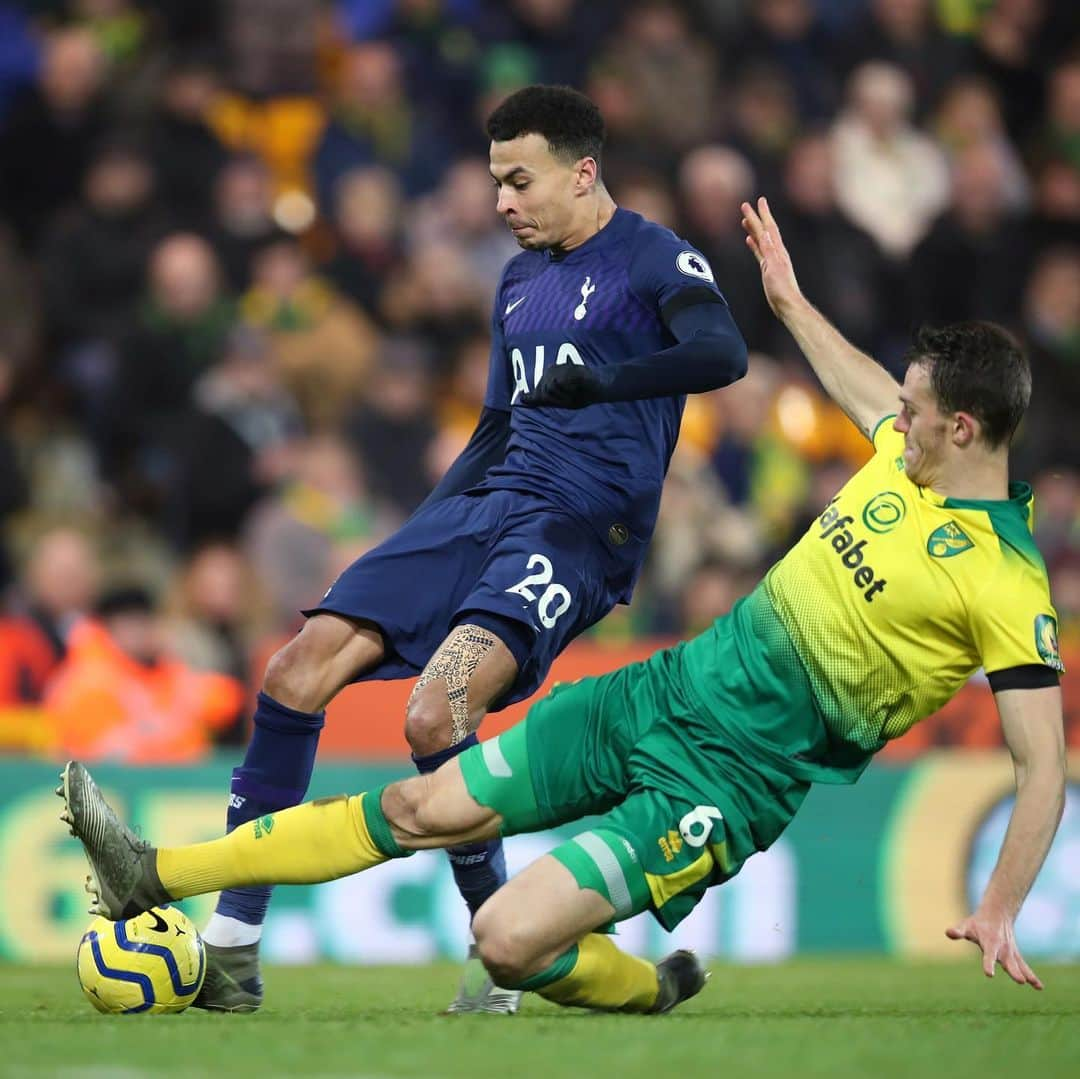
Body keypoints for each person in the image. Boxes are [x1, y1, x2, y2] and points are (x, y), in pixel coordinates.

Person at [60, 197, 1065, 1016]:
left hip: (734, 772)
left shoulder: (1005, 581)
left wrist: (999, 904)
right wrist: (791, 302)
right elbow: (863, 388)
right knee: (419, 804)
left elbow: (1042, 766)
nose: (897, 413)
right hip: (661, 690)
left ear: (965, 426)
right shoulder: (909, 452)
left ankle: (648, 986)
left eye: (918, 409)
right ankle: (154, 871)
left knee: (502, 940)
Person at [191, 84, 748, 1014]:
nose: (501, 203)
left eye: (519, 181)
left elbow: (723, 353)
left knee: (432, 714)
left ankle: (504, 950)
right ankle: (233, 950)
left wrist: (605, 381)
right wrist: (419, 534)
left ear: (583, 172)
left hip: (579, 528)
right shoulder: (519, 278)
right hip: (486, 503)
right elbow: (495, 428)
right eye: (496, 182)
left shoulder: (653, 257)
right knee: (296, 669)